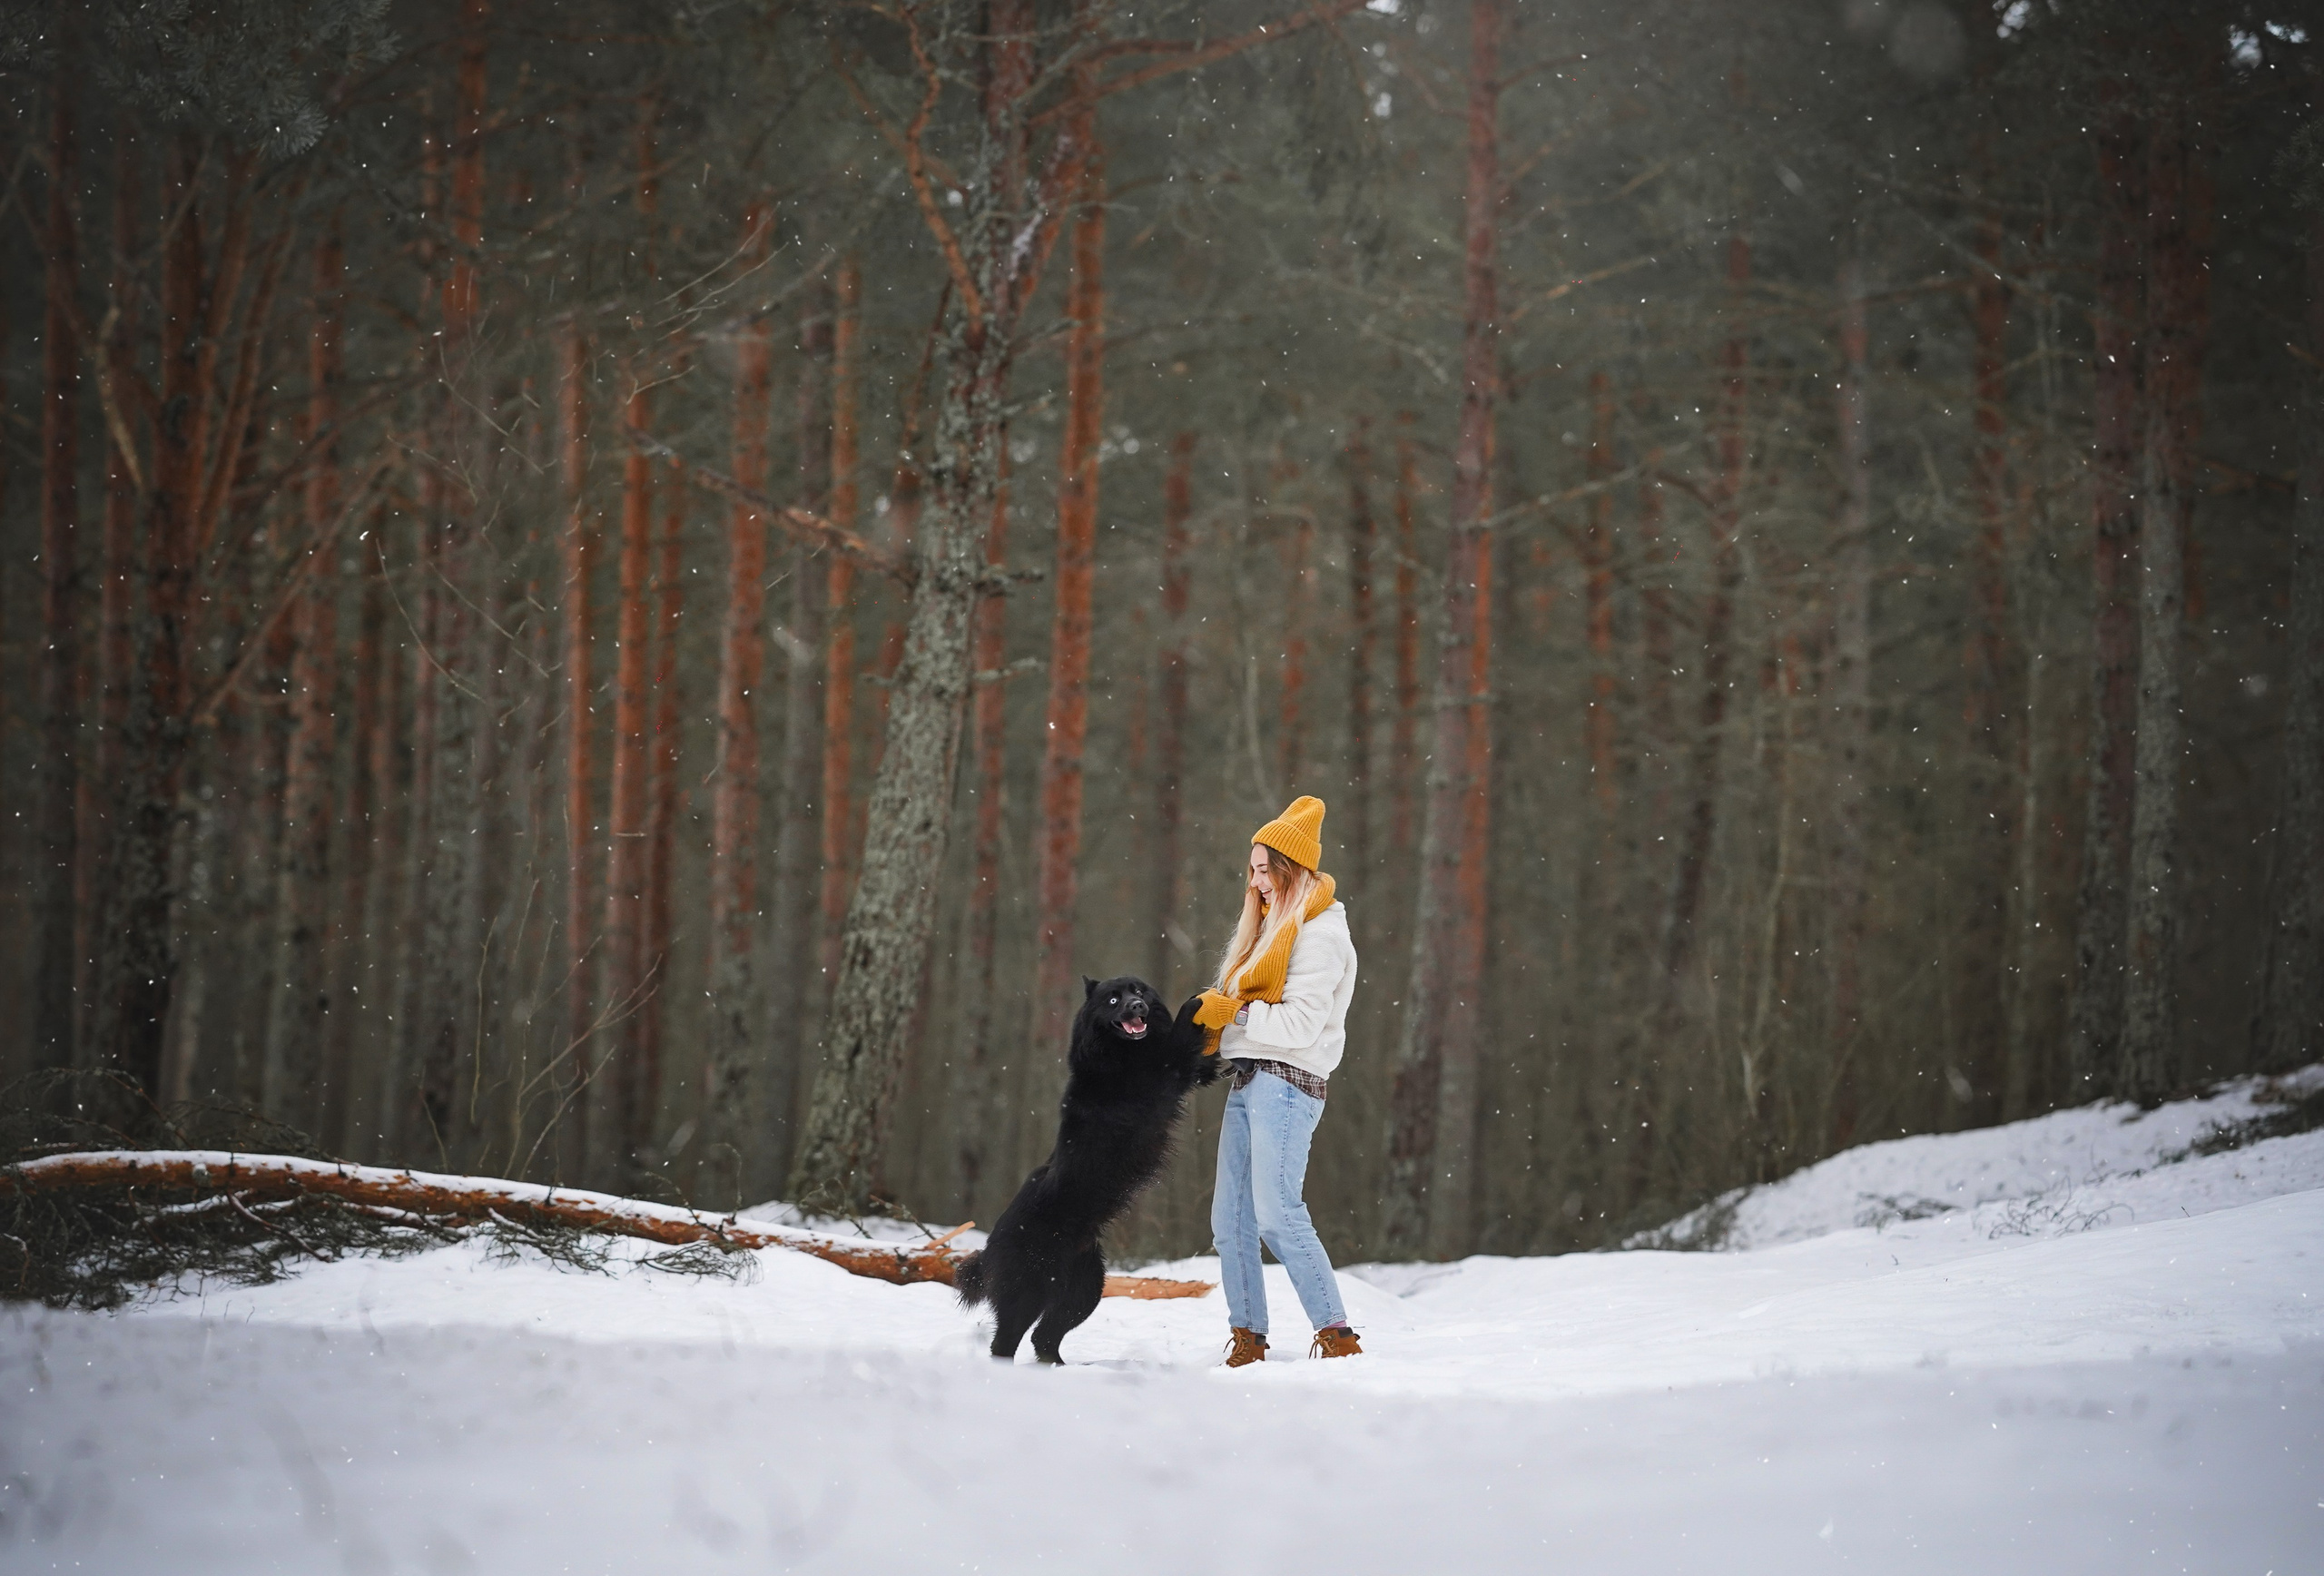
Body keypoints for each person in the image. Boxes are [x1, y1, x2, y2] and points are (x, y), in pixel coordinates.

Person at [1190, 795, 1364, 1366]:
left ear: (1292, 869)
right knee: (1229, 1222)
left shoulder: (1320, 934)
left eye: (1265, 870)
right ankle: (1248, 1338)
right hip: (1249, 1080)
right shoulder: (1272, 929)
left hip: (1288, 1084)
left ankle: (1337, 1335)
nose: (1256, 882)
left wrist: (1235, 1013)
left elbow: (1299, 1025)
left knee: (1278, 1213)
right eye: (1253, 870)